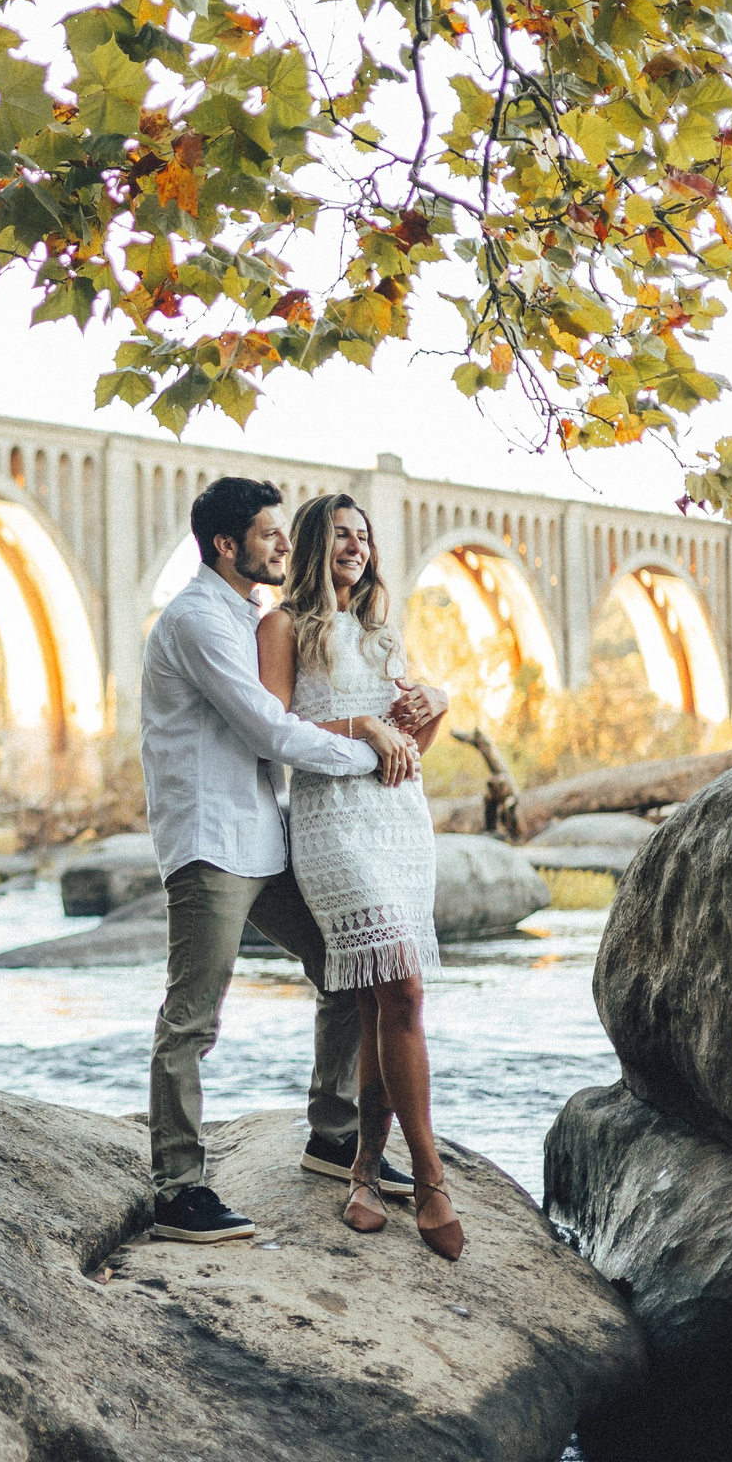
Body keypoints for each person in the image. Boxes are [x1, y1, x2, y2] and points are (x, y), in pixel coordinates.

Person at [141, 477, 425, 1244]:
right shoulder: (198, 620)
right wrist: (369, 745)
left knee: (343, 967)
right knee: (192, 1016)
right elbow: (272, 730)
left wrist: (399, 720)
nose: (281, 543)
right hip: (209, 841)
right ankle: (177, 1187)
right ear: (227, 545)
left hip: (264, 835)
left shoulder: (254, 617)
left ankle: (333, 1135)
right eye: (268, 532)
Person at [258, 491, 463, 1260]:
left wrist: (431, 706)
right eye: (342, 534)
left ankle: (367, 1174)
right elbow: (272, 730)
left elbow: (412, 747)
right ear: (316, 543)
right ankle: (434, 1177)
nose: (356, 546)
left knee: (388, 997)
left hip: (398, 819)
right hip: (333, 824)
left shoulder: (381, 632)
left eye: (365, 536)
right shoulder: (283, 627)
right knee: (401, 988)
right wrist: (361, 724)